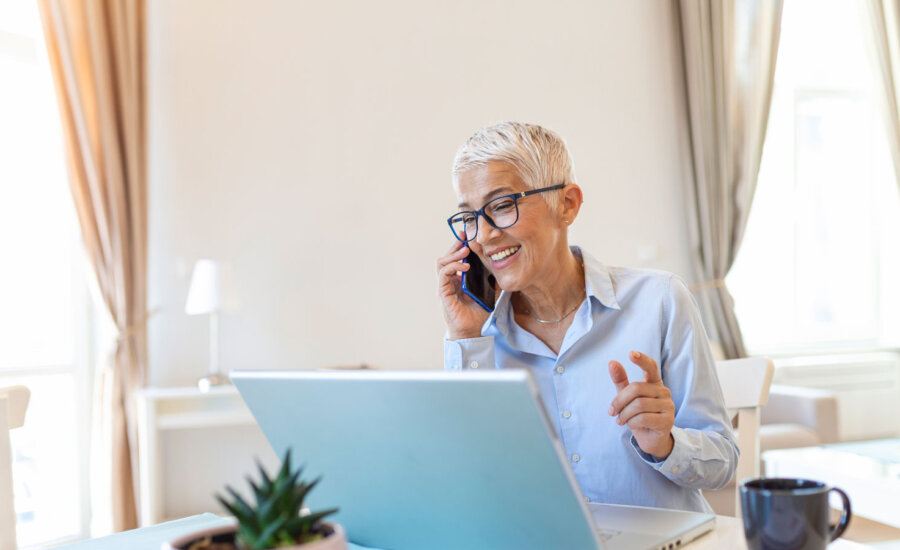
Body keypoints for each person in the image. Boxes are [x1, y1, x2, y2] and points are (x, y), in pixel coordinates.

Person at [435, 121, 737, 513]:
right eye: (470, 216)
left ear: (568, 204)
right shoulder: (480, 337)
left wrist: (666, 444)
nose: (484, 236)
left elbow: (723, 464)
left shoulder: (659, 300)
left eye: (503, 206)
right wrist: (465, 338)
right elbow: (467, 480)